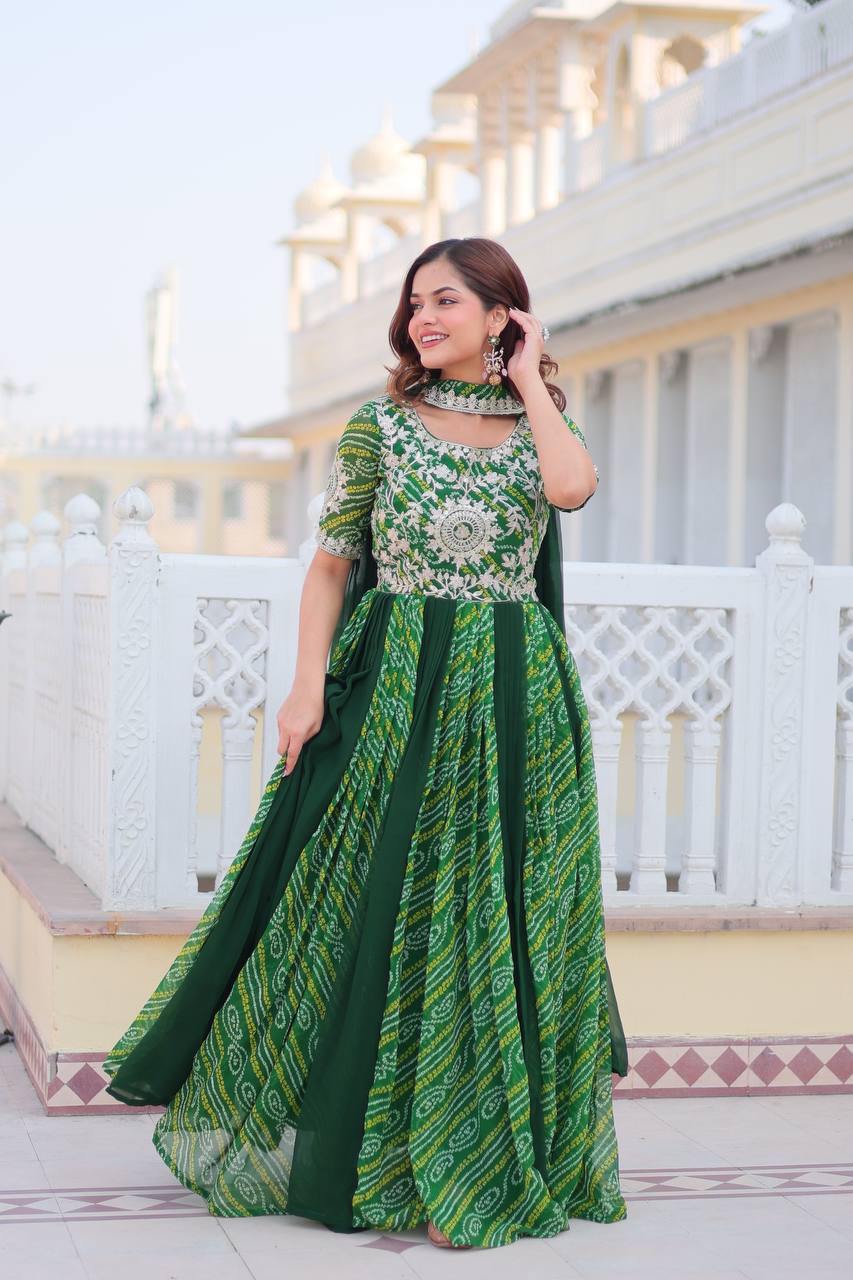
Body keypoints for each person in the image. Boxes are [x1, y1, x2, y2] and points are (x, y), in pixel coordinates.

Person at [103, 236, 629, 1250]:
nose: (422, 318)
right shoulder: (379, 425)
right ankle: (381, 1152)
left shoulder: (541, 423)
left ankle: (477, 1159)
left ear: (501, 315)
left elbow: (570, 489)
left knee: (498, 914)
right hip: (393, 688)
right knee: (380, 902)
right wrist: (306, 688)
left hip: (512, 695)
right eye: (414, 302)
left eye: (447, 301)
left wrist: (528, 378)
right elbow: (331, 565)